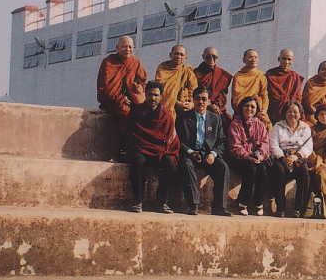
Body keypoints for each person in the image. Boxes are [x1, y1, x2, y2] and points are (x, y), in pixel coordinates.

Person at [176, 86, 231, 216]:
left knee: (223, 167)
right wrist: (190, 152)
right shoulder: (183, 117)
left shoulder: (215, 118)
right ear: (193, 100)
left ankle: (219, 207)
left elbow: (222, 141)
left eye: (204, 99)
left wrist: (213, 154)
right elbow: (178, 140)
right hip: (190, 154)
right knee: (187, 166)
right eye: (197, 99)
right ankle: (193, 205)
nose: (201, 102)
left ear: (208, 101)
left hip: (208, 155)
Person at [127, 81, 178, 214]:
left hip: (159, 151)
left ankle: (162, 202)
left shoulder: (166, 115)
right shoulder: (137, 111)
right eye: (150, 94)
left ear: (161, 97)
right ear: (145, 94)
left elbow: (170, 137)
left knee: (170, 164)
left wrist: (164, 151)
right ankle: (138, 201)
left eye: (156, 95)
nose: (153, 98)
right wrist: (137, 147)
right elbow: (131, 133)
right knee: (138, 161)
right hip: (141, 148)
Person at [95, 35, 146, 157]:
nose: (127, 49)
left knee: (145, 113)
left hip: (130, 99)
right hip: (111, 100)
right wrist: (122, 99)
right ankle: (122, 150)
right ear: (117, 48)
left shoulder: (135, 62)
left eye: (130, 47)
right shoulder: (108, 62)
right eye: (124, 46)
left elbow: (142, 80)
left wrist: (136, 90)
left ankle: (140, 150)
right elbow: (106, 87)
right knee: (125, 113)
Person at [268, 101, 312, 218]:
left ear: (300, 113)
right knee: (279, 171)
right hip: (281, 157)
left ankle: (299, 209)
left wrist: (296, 156)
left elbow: (308, 147)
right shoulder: (278, 127)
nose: (292, 114)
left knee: (304, 173)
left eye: (295, 112)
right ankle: (281, 208)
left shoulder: (305, 127)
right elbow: (273, 145)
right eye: (289, 111)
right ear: (285, 113)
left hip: (297, 158)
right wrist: (283, 158)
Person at [228, 96, 270, 215]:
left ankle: (258, 202)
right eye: (247, 106)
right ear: (241, 107)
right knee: (250, 168)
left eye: (253, 107)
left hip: (256, 157)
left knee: (262, 169)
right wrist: (248, 157)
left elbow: (265, 143)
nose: (249, 109)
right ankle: (242, 203)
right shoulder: (235, 124)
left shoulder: (260, 125)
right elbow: (235, 146)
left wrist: (260, 156)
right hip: (239, 158)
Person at [193, 46, 233, 126]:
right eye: (208, 56)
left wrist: (216, 105)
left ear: (217, 58)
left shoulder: (223, 75)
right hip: (198, 105)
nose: (211, 59)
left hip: (216, 107)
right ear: (203, 57)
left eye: (214, 57)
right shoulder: (194, 73)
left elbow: (222, 95)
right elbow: (192, 92)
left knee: (227, 122)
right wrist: (208, 103)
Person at [231, 49, 270, 127]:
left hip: (257, 111)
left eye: (256, 57)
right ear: (244, 59)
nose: (253, 59)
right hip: (241, 111)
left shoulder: (261, 75)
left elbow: (264, 95)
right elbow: (236, 97)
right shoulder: (238, 76)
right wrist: (245, 109)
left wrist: (263, 111)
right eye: (250, 57)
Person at [155, 44, 197, 115]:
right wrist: (176, 103)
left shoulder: (187, 71)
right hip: (167, 105)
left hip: (185, 106)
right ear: (170, 55)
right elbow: (162, 90)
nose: (179, 57)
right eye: (176, 54)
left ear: (186, 57)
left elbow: (194, 89)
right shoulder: (162, 68)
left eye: (182, 55)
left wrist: (191, 104)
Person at [265, 48, 304, 123]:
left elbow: (298, 97)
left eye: (289, 59)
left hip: (290, 112)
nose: (286, 62)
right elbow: (265, 94)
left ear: (292, 61)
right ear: (279, 59)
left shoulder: (295, 76)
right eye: (284, 58)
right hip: (273, 112)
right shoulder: (270, 74)